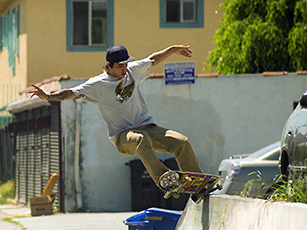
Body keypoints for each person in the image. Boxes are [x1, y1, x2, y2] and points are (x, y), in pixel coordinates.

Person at [29, 44, 203, 194]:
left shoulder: (132, 70)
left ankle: (198, 184)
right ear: (108, 65)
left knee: (182, 142)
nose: (124, 68)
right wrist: (47, 96)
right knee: (141, 139)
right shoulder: (96, 84)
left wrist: (172, 50)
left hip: (147, 127)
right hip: (123, 137)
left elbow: (153, 59)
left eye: (125, 64)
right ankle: (165, 181)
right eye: (119, 66)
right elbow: (70, 93)